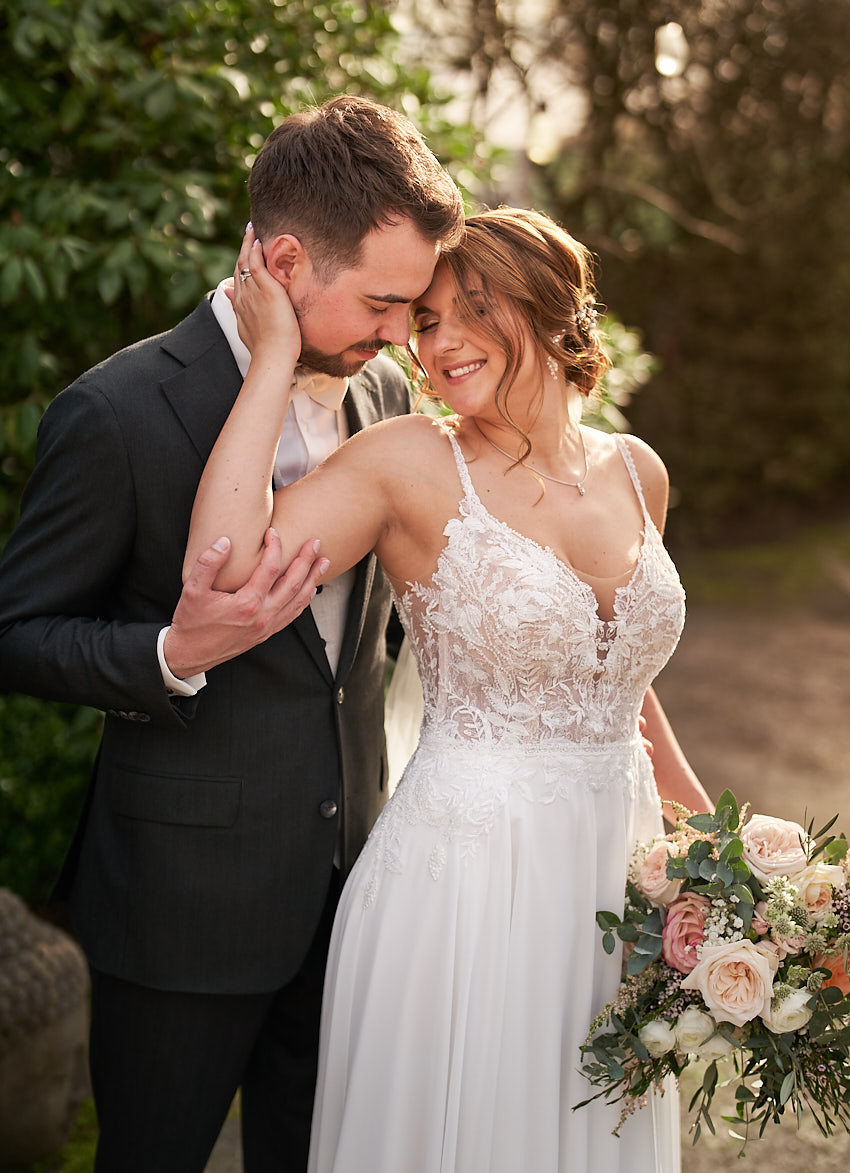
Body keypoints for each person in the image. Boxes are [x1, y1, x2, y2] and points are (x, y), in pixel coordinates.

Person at [186, 207, 714, 1172]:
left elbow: (620, 685)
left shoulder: (639, 472)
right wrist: (270, 363)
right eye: (427, 320)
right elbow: (226, 568)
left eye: (478, 307)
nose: (443, 341)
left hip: (619, 883)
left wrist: (724, 854)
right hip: (469, 887)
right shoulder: (409, 465)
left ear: (558, 311)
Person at [0, 96, 464, 1172]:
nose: (403, 335)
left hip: (354, 900)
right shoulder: (115, 412)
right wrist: (171, 654)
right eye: (386, 302)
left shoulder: (382, 388)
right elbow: (17, 631)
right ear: (288, 261)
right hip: (179, 915)